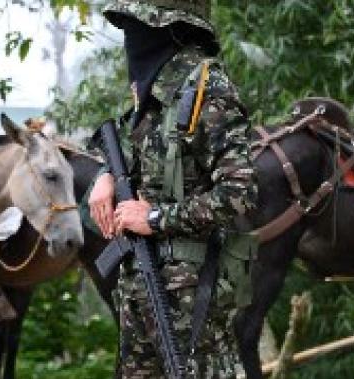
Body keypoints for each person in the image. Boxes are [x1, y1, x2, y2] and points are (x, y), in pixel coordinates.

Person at [86, 0, 257, 377]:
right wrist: (105, 174)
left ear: (172, 30)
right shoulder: (153, 95)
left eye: (139, 26)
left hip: (190, 297)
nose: (132, 39)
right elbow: (133, 153)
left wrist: (157, 217)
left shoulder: (207, 90)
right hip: (139, 287)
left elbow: (240, 192)